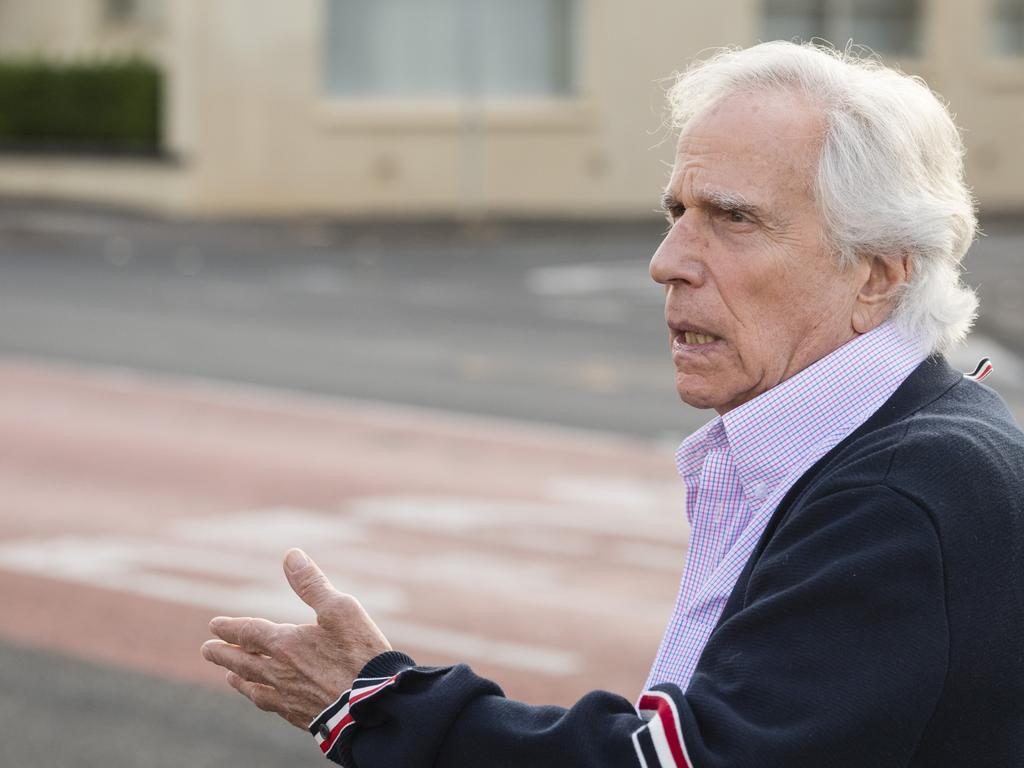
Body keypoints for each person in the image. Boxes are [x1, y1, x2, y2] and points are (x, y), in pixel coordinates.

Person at [200, 41, 1024, 767]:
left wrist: (379, 706)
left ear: (879, 272)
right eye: (677, 213)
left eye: (732, 218)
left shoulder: (900, 493)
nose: (668, 261)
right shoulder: (896, 444)